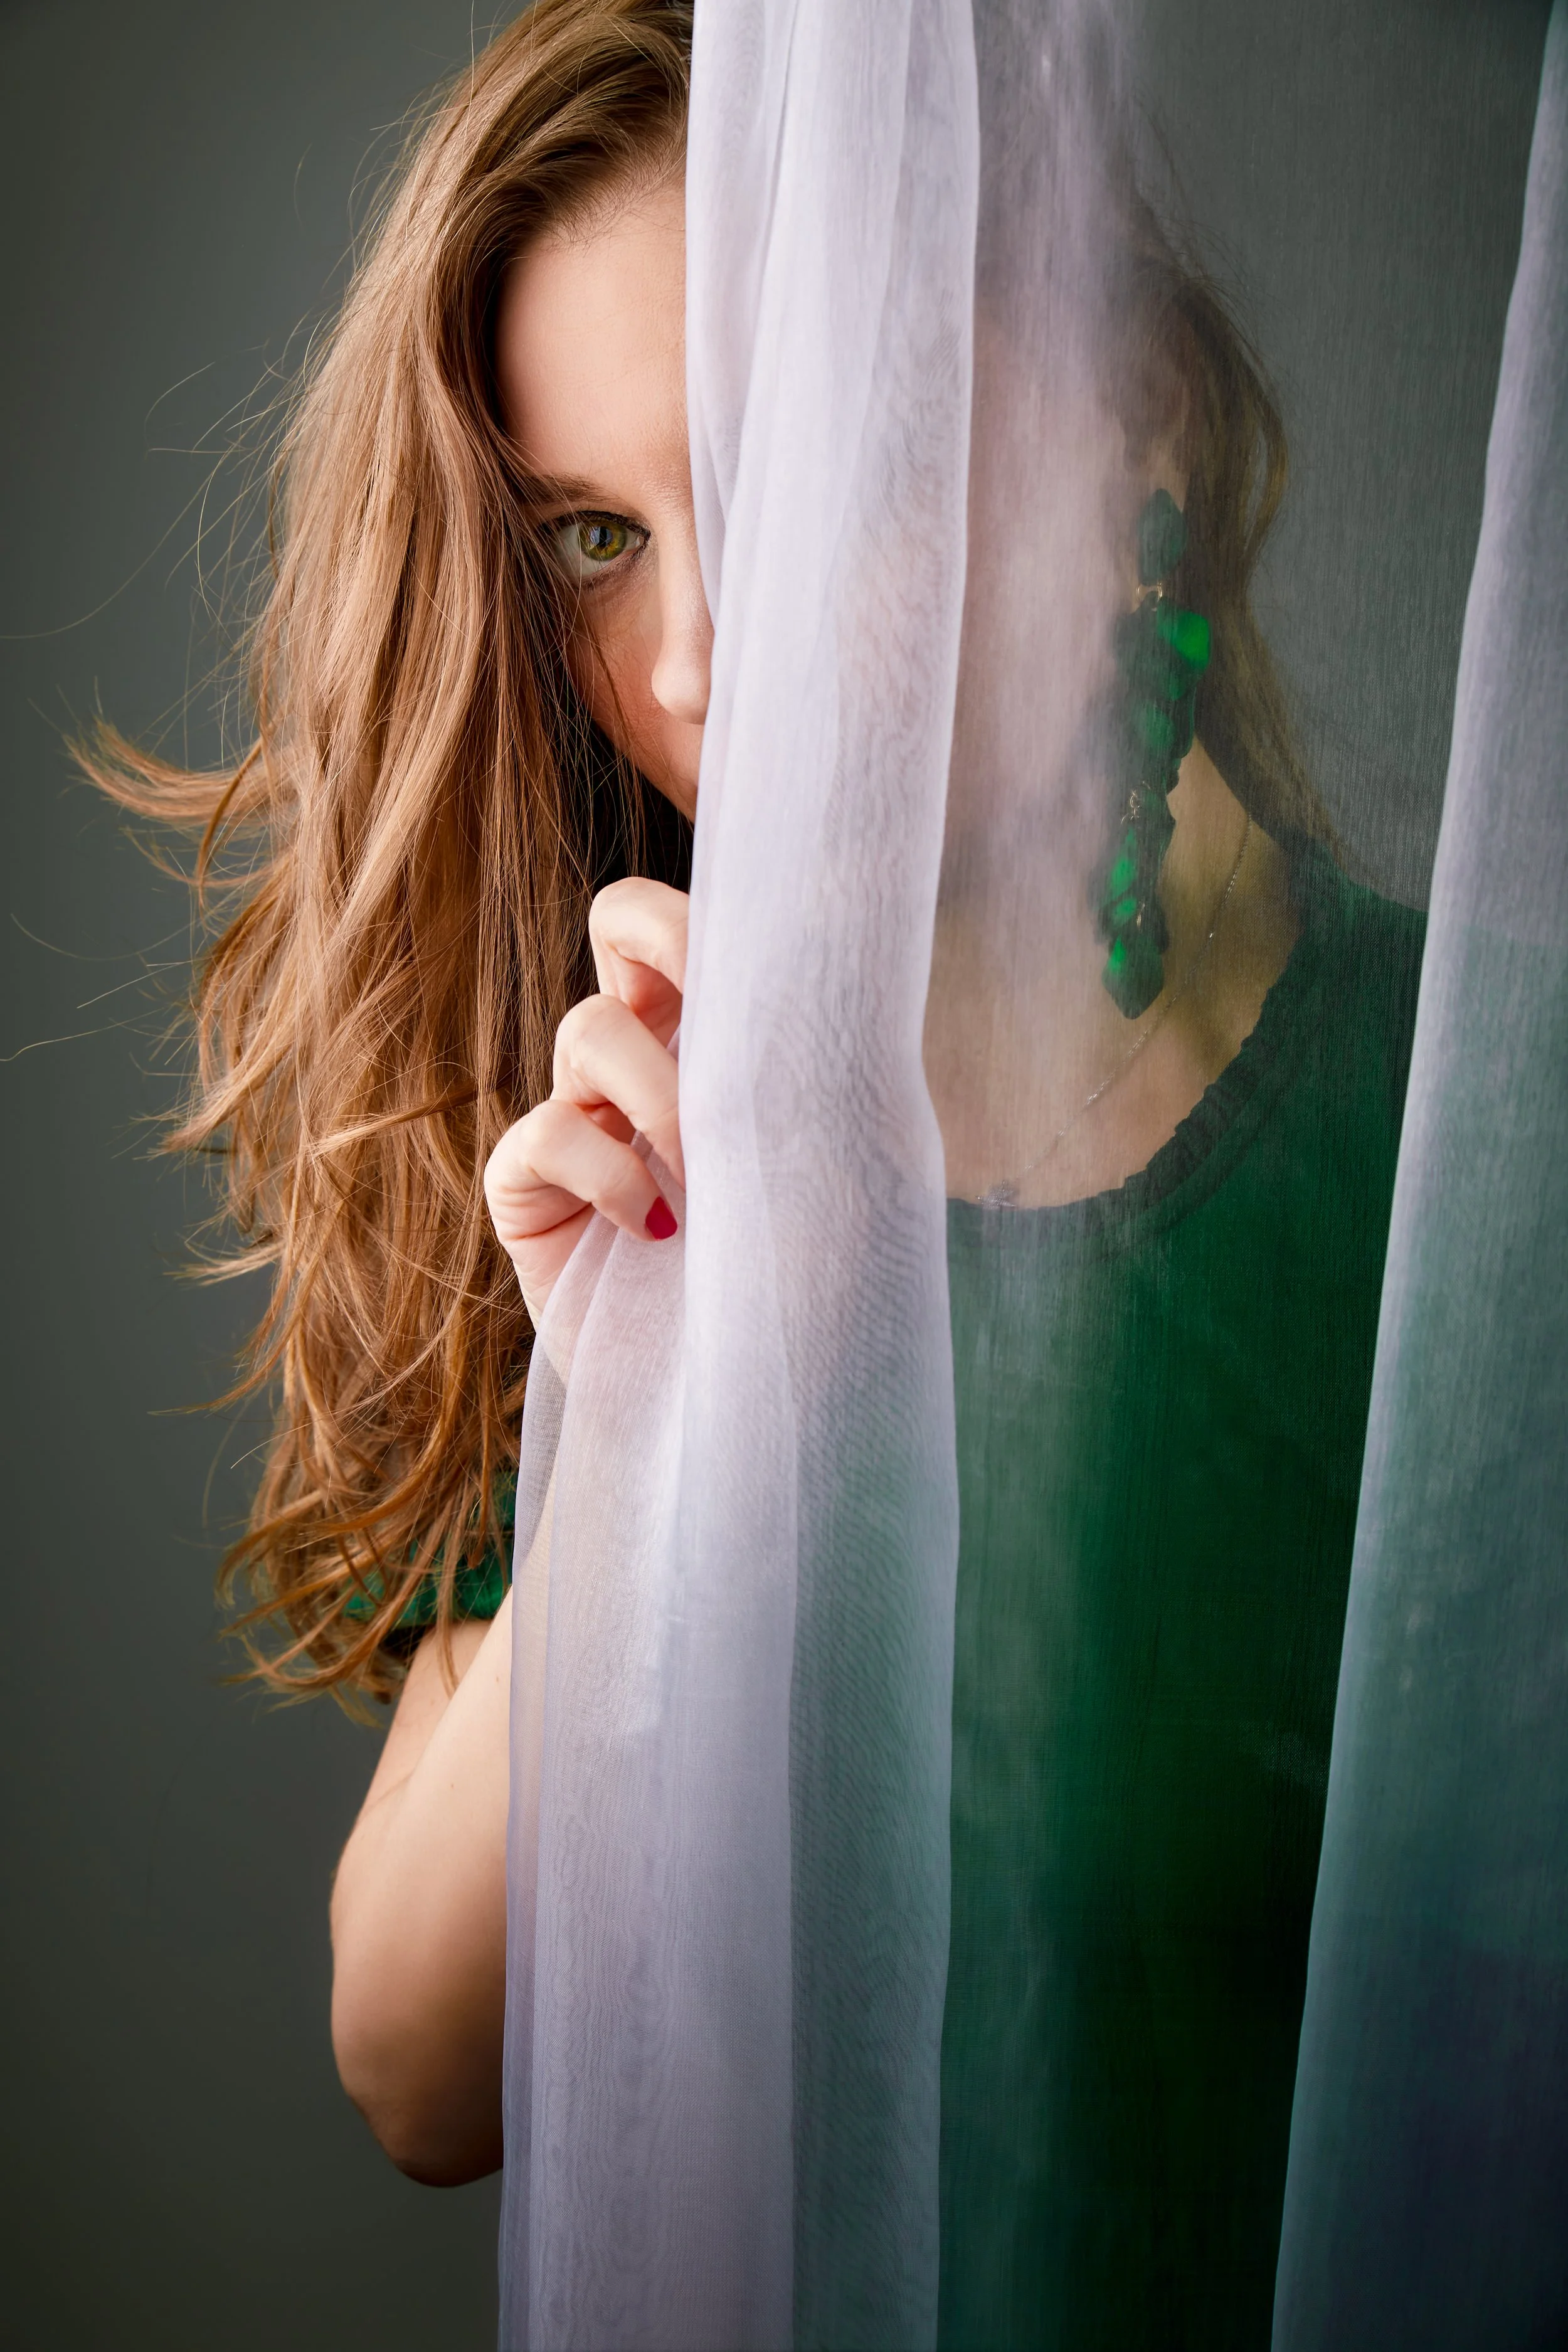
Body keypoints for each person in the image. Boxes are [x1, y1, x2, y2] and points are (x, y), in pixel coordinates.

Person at [84, 0, 1424, 2341]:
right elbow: (413, 2062)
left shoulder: (1465, 1126)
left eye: (797, 470)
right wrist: (647, 1394)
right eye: (596, 535)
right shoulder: (638, 1117)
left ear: (1141, 430)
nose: (695, 660)